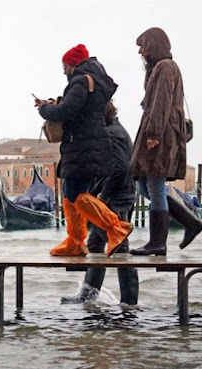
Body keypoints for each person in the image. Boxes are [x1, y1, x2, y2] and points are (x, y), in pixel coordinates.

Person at [35, 44, 133, 258]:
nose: (63, 71)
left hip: (82, 145)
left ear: (73, 64)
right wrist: (54, 104)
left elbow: (66, 111)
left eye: (64, 66)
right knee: (70, 197)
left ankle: (116, 228)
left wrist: (44, 109)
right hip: (85, 145)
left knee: (77, 196)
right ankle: (76, 241)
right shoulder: (93, 80)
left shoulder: (80, 80)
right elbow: (78, 108)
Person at [130, 27, 202, 256]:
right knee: (145, 185)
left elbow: (162, 101)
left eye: (143, 46)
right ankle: (190, 222)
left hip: (159, 134)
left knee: (154, 186)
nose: (141, 51)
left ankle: (157, 243)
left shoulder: (166, 67)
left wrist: (153, 134)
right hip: (158, 131)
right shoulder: (159, 68)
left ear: (153, 45)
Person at [62, 101, 138, 305]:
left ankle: (130, 303)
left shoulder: (113, 134)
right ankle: (88, 297)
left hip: (116, 199)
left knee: (120, 249)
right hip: (113, 197)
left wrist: (103, 197)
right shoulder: (113, 130)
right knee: (95, 244)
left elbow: (120, 169)